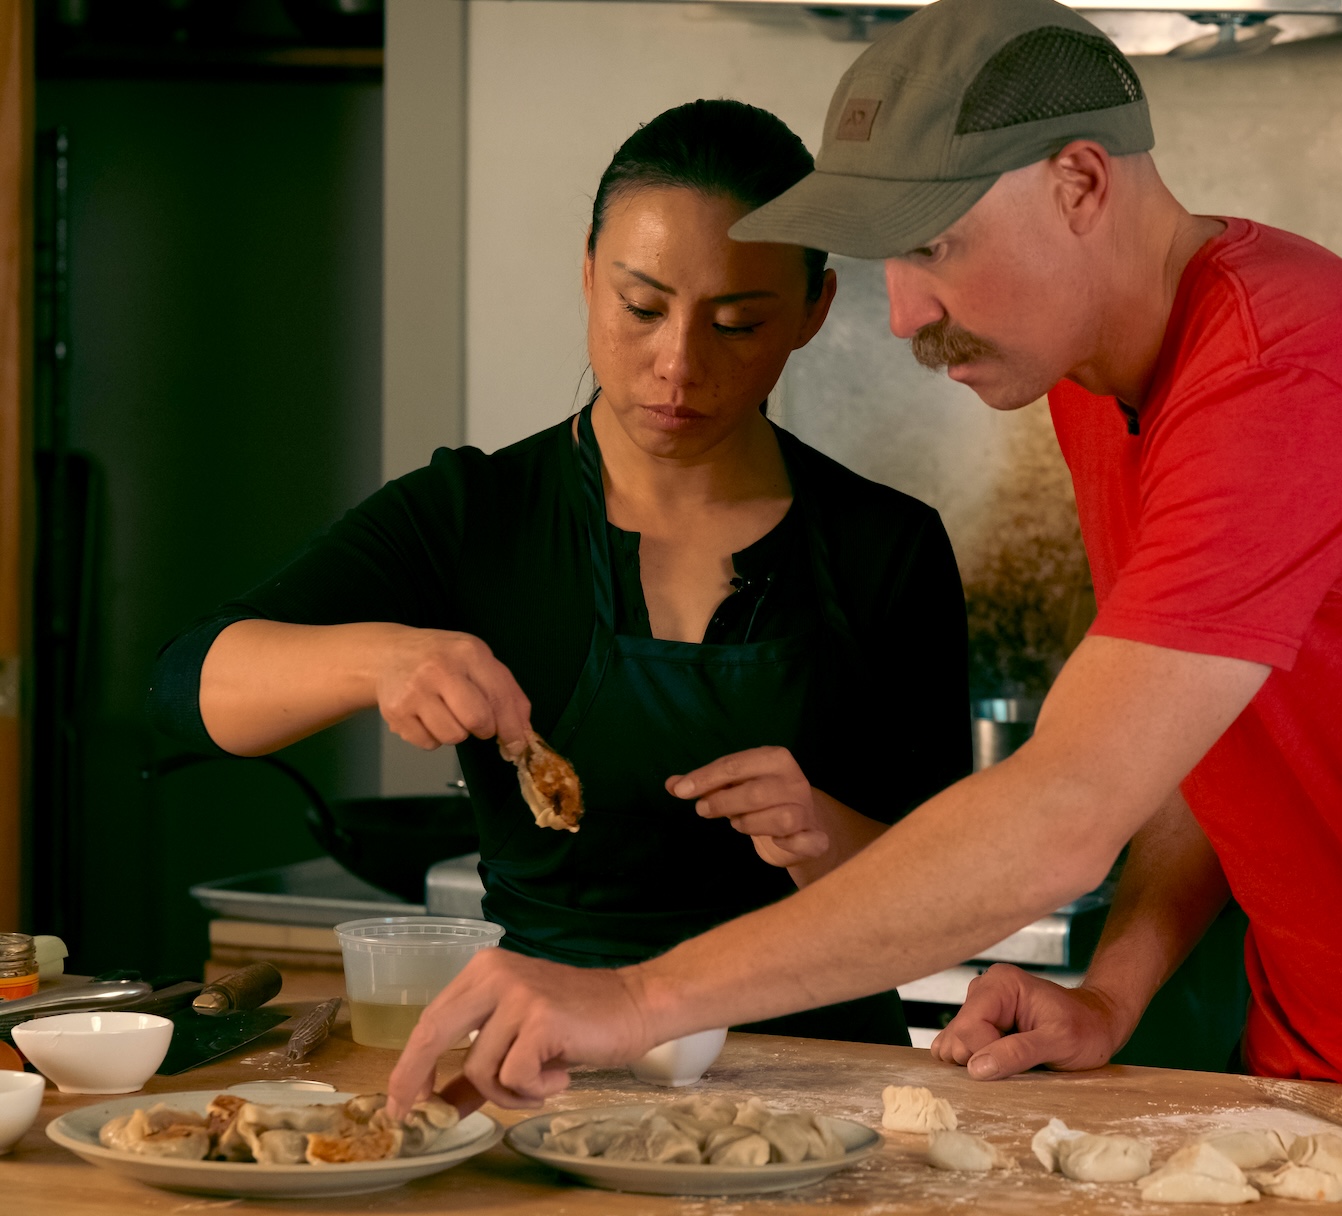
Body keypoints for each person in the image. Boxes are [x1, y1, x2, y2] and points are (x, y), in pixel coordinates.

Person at [385, 0, 1342, 1113]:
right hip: (1339, 1087)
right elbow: (1211, 746)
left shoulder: (1280, 382)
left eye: (935, 245)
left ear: (1081, 182)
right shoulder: (1098, 381)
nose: (907, 310)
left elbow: (1063, 813)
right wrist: (1114, 992)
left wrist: (633, 997)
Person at [147, 99, 971, 1045]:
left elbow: (953, 892)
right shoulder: (477, 514)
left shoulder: (885, 545)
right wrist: (378, 659)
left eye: (737, 325)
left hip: (826, 1087)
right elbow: (183, 685)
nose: (678, 364)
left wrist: (826, 838)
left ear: (812, 314)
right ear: (587, 279)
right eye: (642, 308)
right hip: (545, 1070)